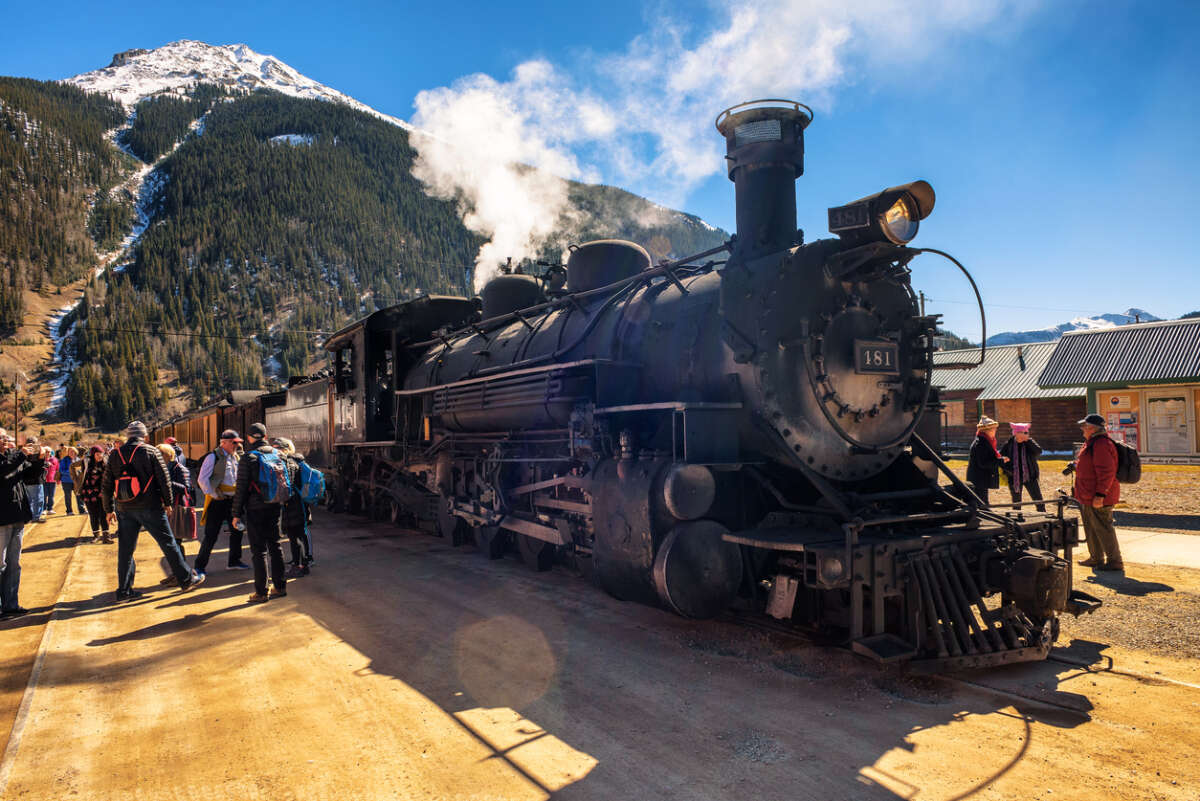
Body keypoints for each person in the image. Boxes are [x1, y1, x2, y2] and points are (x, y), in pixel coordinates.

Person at [101, 421, 205, 601]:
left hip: (125, 508)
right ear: (144, 436)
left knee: (125, 550)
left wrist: (108, 509)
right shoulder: (151, 451)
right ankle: (186, 579)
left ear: (128, 436)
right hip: (150, 506)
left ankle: (124, 591)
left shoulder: (115, 454)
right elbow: (164, 480)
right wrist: (168, 502)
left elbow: (107, 484)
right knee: (168, 543)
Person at [232, 423, 287, 603]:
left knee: (259, 551)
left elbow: (240, 489)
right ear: (265, 436)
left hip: (255, 509)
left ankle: (261, 592)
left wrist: (236, 514)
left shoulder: (248, 458)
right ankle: (280, 587)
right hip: (275, 505)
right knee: (276, 546)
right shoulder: (278, 454)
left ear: (249, 438)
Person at [193, 430, 249, 577]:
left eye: (237, 442)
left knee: (237, 531)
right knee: (211, 535)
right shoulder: (212, 457)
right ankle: (199, 566)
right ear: (223, 442)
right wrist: (213, 494)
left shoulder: (235, 457)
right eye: (234, 442)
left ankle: (234, 561)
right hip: (217, 502)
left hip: (233, 502)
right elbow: (202, 479)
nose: (237, 445)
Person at [1072, 413, 1123, 572]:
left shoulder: (1101, 444)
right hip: (1088, 495)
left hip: (1098, 496)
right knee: (1092, 527)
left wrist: (1100, 495)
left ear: (1092, 428)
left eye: (1084, 426)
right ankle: (1096, 558)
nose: (1082, 429)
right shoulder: (1092, 443)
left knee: (1103, 528)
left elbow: (1106, 472)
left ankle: (1114, 561)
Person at [1, 429, 43, 618]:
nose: (7, 441)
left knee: (13, 564)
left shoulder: (12, 457)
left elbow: (30, 477)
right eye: (3, 439)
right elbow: (3, 470)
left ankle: (11, 604)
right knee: (0, 564)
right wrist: (21, 454)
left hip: (17, 517)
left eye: (7, 438)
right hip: (1, 520)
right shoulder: (9, 459)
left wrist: (39, 460)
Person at [157, 443, 195, 584]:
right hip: (169, 509)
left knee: (176, 543)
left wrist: (166, 481)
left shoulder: (180, 469)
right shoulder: (166, 468)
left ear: (167, 455)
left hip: (178, 509)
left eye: (160, 455)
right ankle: (176, 572)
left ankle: (181, 574)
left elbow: (186, 488)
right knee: (171, 543)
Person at [274, 438, 313, 577]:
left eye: (277, 448)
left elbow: (286, 486)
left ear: (285, 449)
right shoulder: (298, 461)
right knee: (300, 535)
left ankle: (299, 566)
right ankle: (304, 564)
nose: (275, 450)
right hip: (300, 503)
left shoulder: (288, 463)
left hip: (292, 505)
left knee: (294, 537)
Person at [1000, 423, 1046, 512]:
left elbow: (1038, 451)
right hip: (1014, 477)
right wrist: (1009, 470)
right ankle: (1017, 518)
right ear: (1016, 433)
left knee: (1038, 498)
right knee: (1016, 502)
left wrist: (1028, 441)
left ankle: (1043, 514)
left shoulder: (1029, 442)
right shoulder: (1009, 444)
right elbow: (1001, 459)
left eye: (1026, 432)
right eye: (1023, 432)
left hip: (1030, 476)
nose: (1026, 434)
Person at [966, 416, 1008, 506]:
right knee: (982, 504)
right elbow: (984, 463)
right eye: (994, 429)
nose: (995, 431)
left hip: (981, 479)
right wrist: (1001, 461)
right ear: (987, 430)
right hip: (978, 479)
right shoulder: (981, 443)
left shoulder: (985, 441)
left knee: (982, 502)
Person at [77, 445, 111, 543]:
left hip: (101, 493)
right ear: (93, 454)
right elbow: (74, 467)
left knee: (103, 514)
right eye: (97, 454)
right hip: (88, 493)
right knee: (93, 514)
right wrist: (76, 480)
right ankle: (96, 536)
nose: (100, 455)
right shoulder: (86, 462)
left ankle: (106, 536)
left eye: (101, 453)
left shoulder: (105, 463)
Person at [22, 438, 44, 523]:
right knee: (38, 499)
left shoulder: (23, 453)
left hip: (26, 480)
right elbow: (42, 452)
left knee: (29, 500)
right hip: (35, 480)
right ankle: (36, 517)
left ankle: (29, 517)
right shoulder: (38, 453)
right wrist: (38, 446)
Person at [58, 446, 78, 515]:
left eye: (73, 451)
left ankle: (82, 510)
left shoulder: (77, 459)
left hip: (76, 481)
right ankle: (69, 511)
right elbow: (61, 470)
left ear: (76, 452)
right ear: (68, 453)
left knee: (79, 495)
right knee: (68, 496)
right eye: (70, 451)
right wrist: (71, 472)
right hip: (66, 481)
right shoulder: (64, 460)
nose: (72, 453)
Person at [41, 447, 59, 516]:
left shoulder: (54, 460)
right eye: (46, 452)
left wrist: (58, 479)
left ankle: (50, 509)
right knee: (44, 495)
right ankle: (44, 509)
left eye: (49, 452)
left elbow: (57, 470)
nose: (48, 453)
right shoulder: (41, 460)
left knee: (51, 496)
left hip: (52, 480)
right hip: (44, 480)